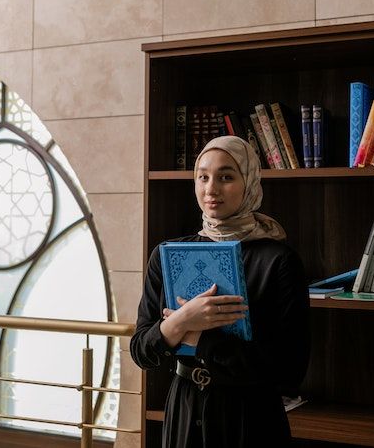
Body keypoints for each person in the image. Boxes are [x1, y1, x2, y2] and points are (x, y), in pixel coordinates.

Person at [130, 135, 310, 448]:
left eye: (226, 177)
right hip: (183, 409)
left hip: (250, 416)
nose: (211, 189)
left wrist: (201, 339)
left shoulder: (278, 260)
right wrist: (180, 322)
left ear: (249, 182)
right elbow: (140, 351)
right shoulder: (167, 254)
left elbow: (289, 370)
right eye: (203, 177)